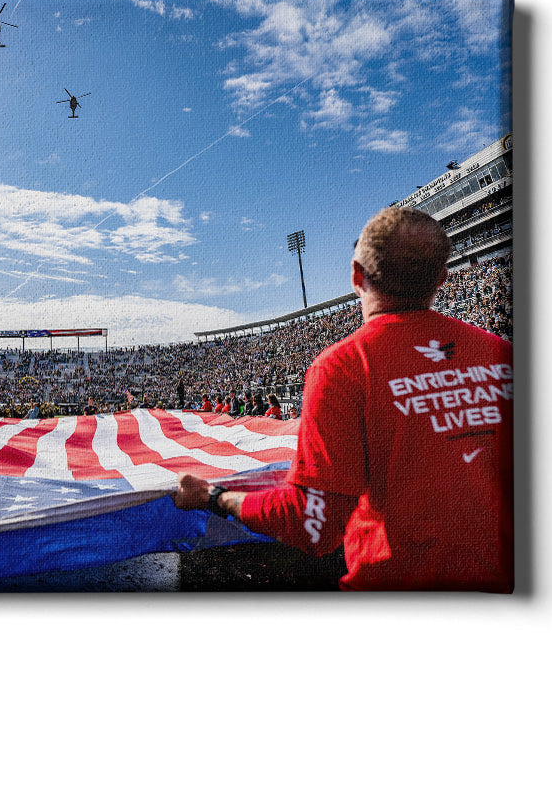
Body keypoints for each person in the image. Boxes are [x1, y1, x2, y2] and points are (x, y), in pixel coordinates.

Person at [173, 207, 513, 592]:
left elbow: (314, 527)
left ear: (356, 276)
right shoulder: (505, 355)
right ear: (441, 278)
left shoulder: (344, 367)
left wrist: (215, 496)